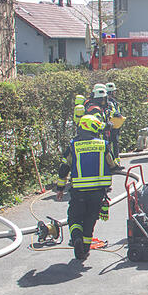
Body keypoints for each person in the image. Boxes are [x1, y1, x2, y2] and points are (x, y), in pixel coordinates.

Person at [56, 114, 119, 260]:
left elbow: (64, 168)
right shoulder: (102, 144)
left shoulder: (73, 146)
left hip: (78, 193)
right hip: (98, 193)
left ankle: (76, 237)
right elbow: (113, 164)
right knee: (90, 220)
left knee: (74, 218)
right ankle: (84, 249)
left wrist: (60, 189)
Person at [105, 82, 124, 163]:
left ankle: (116, 161)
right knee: (112, 143)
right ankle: (114, 162)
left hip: (115, 125)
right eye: (114, 91)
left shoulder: (112, 101)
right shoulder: (108, 101)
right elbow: (111, 112)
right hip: (111, 126)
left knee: (115, 143)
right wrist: (117, 114)